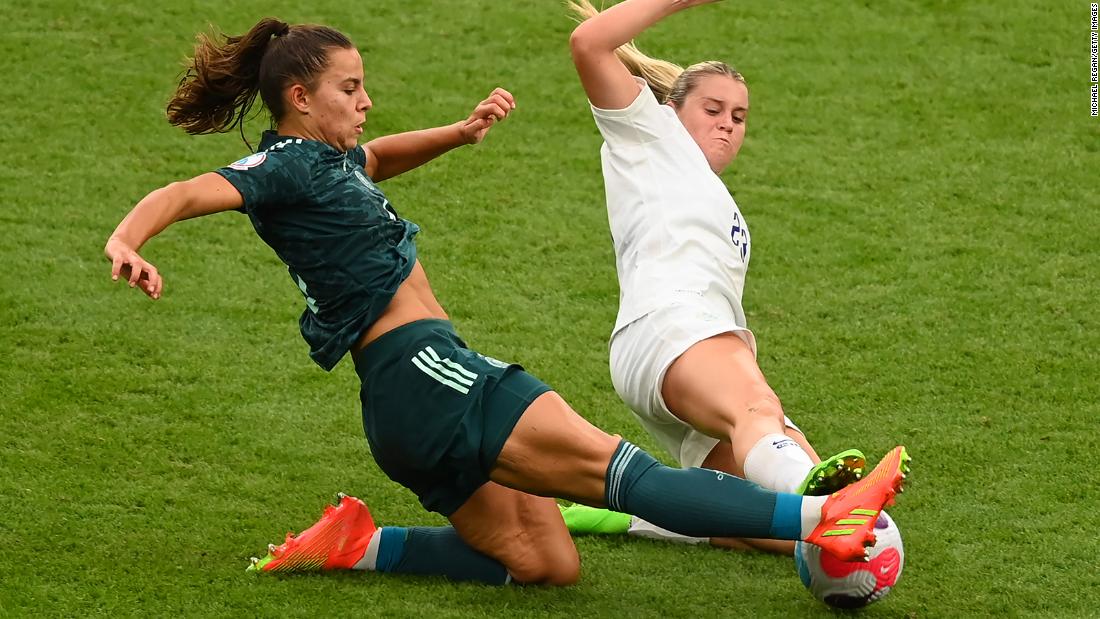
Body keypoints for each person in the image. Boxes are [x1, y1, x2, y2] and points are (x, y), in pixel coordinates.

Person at [104, 17, 909, 586]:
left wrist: (456, 134)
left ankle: (362, 546)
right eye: (350, 87)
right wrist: (128, 241)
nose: (366, 101)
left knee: (548, 564)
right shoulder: (278, 169)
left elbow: (376, 156)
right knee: (618, 472)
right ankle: (822, 519)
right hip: (431, 374)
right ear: (300, 96)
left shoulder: (332, 161)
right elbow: (183, 190)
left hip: (399, 414)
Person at [561, 0, 885, 554]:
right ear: (671, 108)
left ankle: (619, 517)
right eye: (713, 109)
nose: (727, 124)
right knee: (761, 414)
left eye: (738, 117)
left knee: (809, 536)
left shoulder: (720, 200)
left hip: (668, 351)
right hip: (672, 329)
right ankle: (818, 501)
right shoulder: (650, 133)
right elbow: (588, 43)